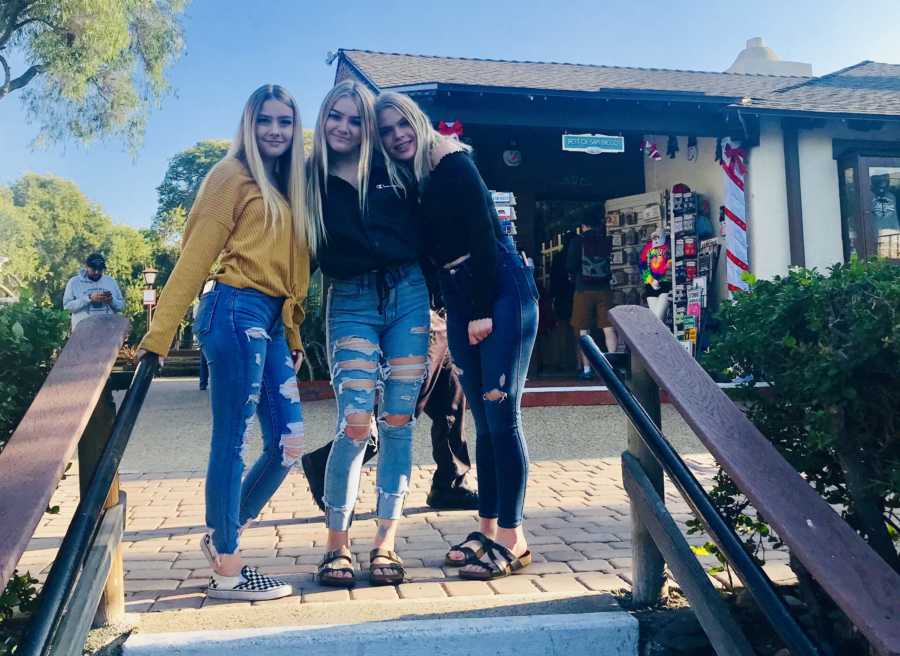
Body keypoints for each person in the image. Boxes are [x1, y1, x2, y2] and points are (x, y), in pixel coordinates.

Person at [138, 84, 311, 601]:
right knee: (233, 438)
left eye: (284, 121)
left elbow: (292, 271)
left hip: (272, 318)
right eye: (265, 121)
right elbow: (195, 255)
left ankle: (222, 535)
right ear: (248, 126)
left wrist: (294, 331)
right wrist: (160, 332)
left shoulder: (289, 188)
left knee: (288, 443)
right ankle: (229, 570)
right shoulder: (229, 176)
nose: (275, 131)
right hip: (233, 307)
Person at [376, 91, 538, 581]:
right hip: (461, 295)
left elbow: (485, 234)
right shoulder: (415, 179)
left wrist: (484, 309)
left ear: (418, 122)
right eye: (386, 131)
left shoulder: (452, 161)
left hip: (498, 289)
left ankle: (513, 536)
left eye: (403, 124)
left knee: (502, 417)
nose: (398, 135)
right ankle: (488, 528)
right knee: (484, 424)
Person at [306, 80, 430, 587]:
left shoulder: (393, 170)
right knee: (356, 421)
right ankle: (337, 544)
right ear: (324, 118)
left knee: (398, 419)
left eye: (356, 120)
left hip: (408, 294)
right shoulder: (308, 179)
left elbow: (436, 211)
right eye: (336, 116)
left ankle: (385, 543)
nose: (345, 127)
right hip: (351, 299)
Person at [301, 309, 477, 512]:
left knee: (450, 399)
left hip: (442, 317)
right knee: (403, 406)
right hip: (421, 313)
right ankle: (324, 464)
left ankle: (451, 483)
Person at [566, 211, 617, 378]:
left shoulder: (577, 241)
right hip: (604, 289)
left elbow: (571, 265)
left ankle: (587, 370)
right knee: (608, 327)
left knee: (583, 330)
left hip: (583, 290)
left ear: (583, 226)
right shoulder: (605, 240)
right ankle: (613, 368)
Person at [62, 253, 124, 331]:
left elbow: (121, 306)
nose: (97, 272)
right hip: (82, 332)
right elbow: (67, 308)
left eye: (100, 269)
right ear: (87, 267)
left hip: (107, 332)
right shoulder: (74, 282)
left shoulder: (111, 281)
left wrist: (111, 301)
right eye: (93, 269)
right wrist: (89, 298)